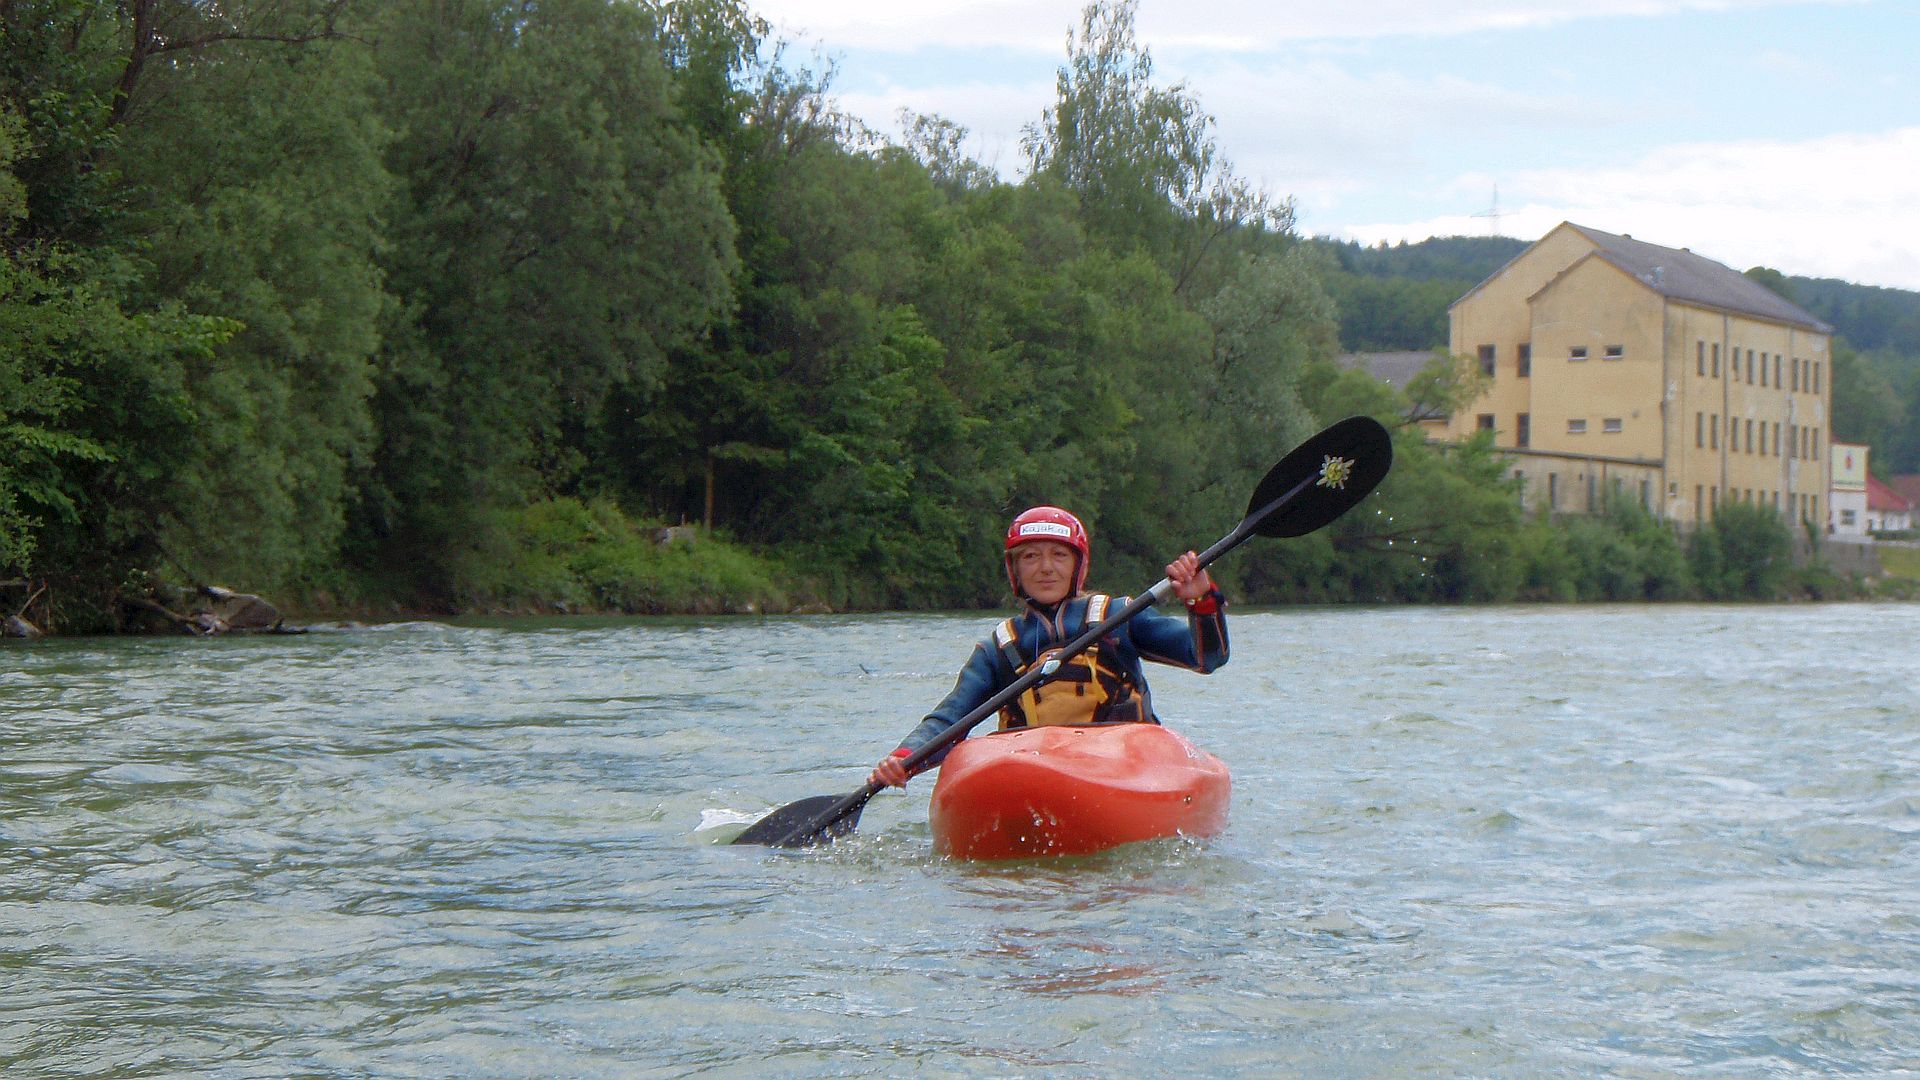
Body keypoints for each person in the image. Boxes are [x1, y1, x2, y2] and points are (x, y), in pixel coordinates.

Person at [869, 505, 1228, 789]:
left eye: (1059, 555)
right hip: (1032, 766)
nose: (1046, 568)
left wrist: (1201, 603)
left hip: (1122, 762)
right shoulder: (1000, 647)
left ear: (1077, 566)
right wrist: (905, 758)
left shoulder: (1118, 617)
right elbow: (950, 719)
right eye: (1030, 557)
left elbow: (1207, 657)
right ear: (1015, 570)